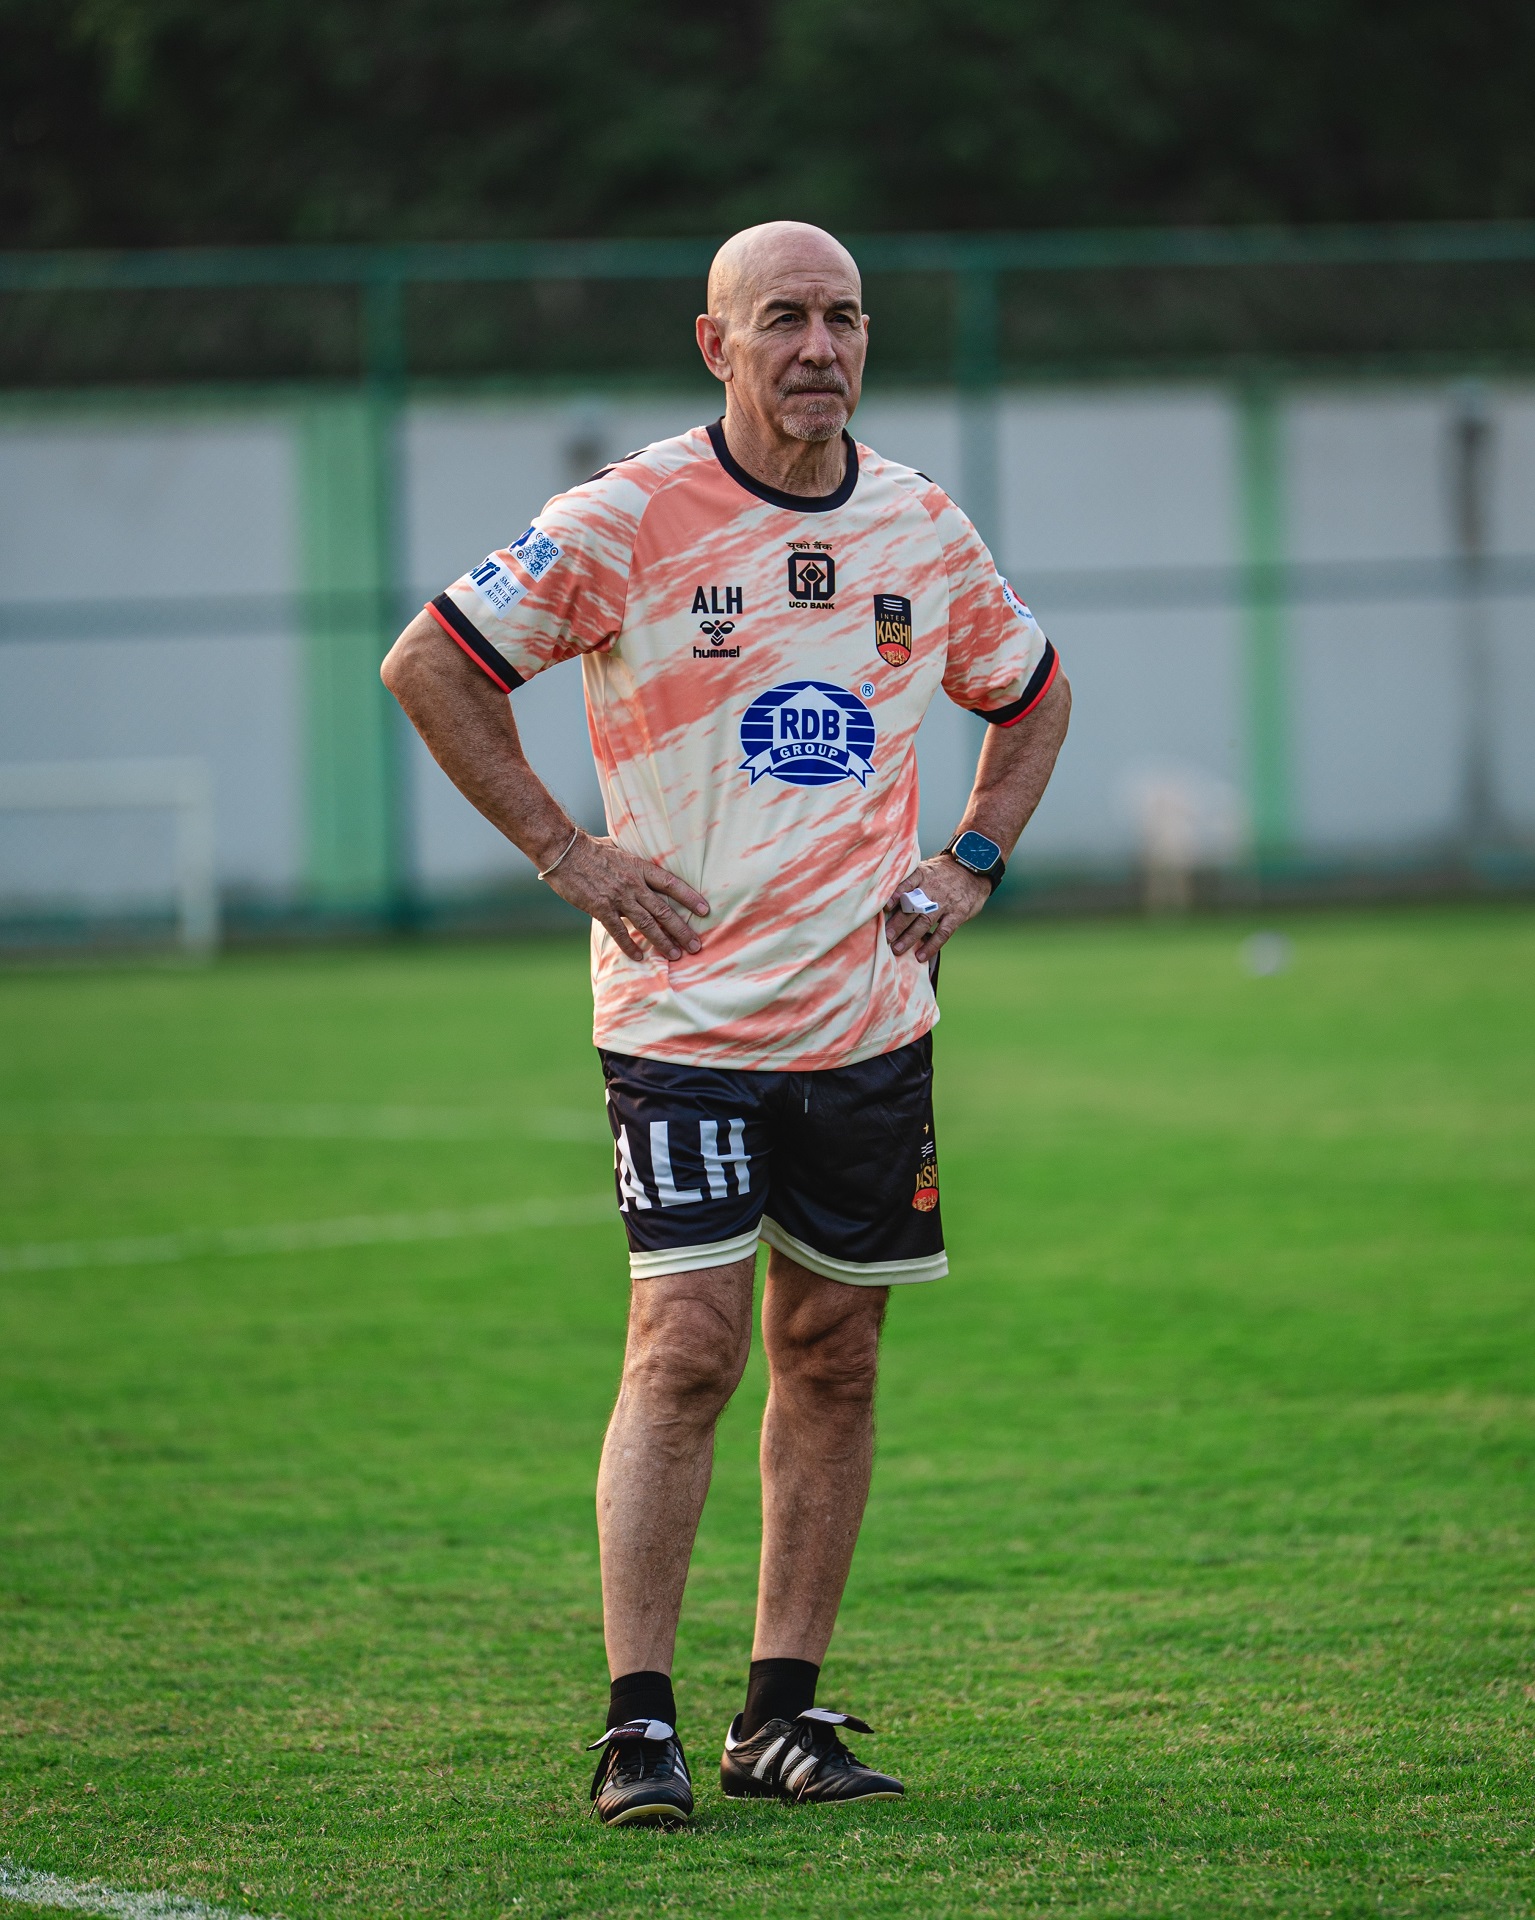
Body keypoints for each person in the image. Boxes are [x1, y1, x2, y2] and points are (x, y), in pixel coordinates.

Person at [381, 220, 1070, 1827]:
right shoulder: (627, 515)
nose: (819, 348)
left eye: (843, 318)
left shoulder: (919, 523)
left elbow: (1032, 695)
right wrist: (566, 851)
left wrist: (972, 859)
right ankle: (638, 1724)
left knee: (834, 1354)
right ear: (717, 343)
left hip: (870, 1022)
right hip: (684, 1015)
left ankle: (781, 1715)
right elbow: (433, 664)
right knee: (685, 1350)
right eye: (783, 320)